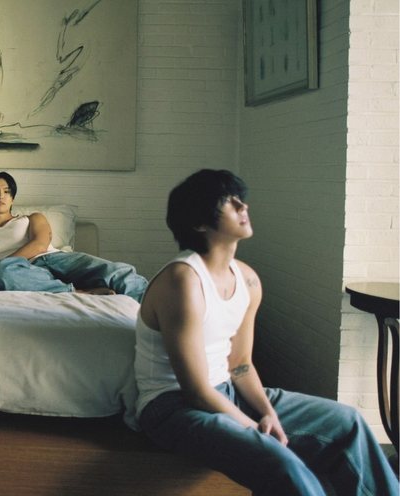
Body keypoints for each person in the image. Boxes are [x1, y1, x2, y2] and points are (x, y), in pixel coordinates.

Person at [134, 169, 397, 495]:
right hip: (172, 408)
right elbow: (197, 390)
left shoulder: (247, 279)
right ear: (199, 223)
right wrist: (257, 428)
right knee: (281, 462)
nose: (242, 206)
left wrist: (268, 414)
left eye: (240, 199)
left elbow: (240, 365)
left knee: (348, 422)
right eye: (228, 202)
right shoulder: (183, 281)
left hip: (227, 391)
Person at [0, 171, 147, 301]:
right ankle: (79, 292)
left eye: (7, 192)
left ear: (12, 198)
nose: (1, 196)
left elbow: (40, 245)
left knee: (117, 271)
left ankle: (155, 312)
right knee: (2, 272)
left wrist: (1, 263)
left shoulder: (33, 218)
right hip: (25, 274)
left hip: (55, 259)